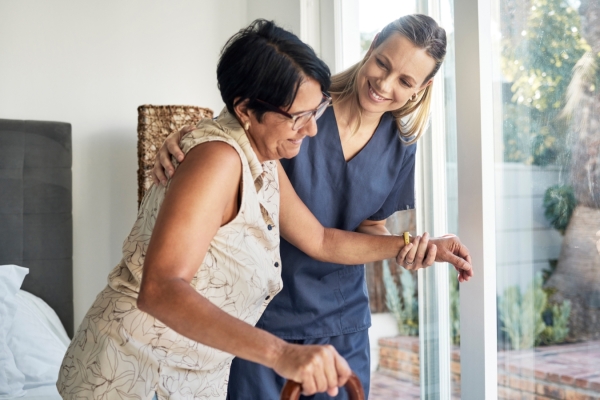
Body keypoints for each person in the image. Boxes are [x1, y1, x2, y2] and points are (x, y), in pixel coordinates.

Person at [151, 15, 472, 400]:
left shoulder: (402, 146)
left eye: (405, 81)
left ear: (423, 88)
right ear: (370, 49)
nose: (384, 85)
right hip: (263, 315)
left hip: (342, 321)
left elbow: (371, 228)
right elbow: (237, 129)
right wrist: (184, 139)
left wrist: (410, 249)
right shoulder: (303, 109)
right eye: (382, 64)